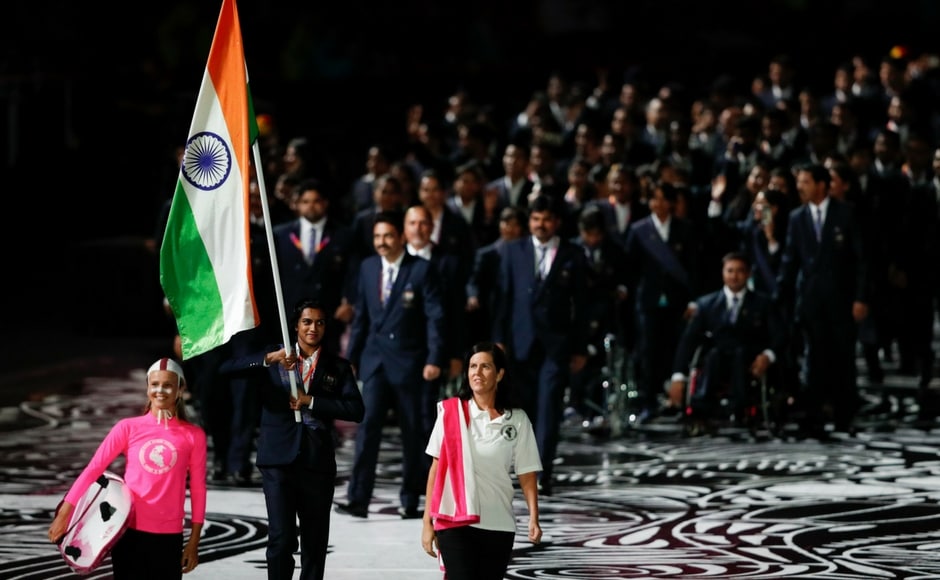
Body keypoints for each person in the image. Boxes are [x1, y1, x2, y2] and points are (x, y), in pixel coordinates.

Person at [218, 299, 365, 580]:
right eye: (307, 322)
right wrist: (268, 359)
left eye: (319, 322)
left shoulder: (337, 366)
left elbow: (356, 410)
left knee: (314, 543)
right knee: (281, 539)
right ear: (295, 325)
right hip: (278, 459)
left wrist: (312, 401)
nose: (313, 328)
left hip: (317, 462)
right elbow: (226, 370)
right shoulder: (275, 356)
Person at [48, 358, 207, 579]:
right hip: (128, 531)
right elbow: (94, 469)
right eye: (154, 384)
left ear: (180, 390)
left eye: (168, 385)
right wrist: (65, 513)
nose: (160, 390)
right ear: (147, 388)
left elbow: (198, 489)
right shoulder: (128, 428)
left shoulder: (193, 435)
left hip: (169, 535)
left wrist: (194, 542)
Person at [337, 209, 446, 519]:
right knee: (367, 428)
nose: (381, 242)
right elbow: (361, 319)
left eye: (387, 236)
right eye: (377, 237)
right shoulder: (368, 268)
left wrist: (434, 358)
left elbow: (435, 318)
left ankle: (411, 499)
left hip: (411, 365)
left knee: (413, 433)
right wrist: (351, 360)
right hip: (375, 363)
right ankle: (358, 497)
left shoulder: (422, 270)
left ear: (401, 237)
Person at [492, 193, 589, 495]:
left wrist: (580, 347)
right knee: (521, 412)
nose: (541, 224)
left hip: (556, 345)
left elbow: (582, 304)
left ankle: (539, 473)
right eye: (535, 219)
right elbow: (502, 298)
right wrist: (498, 341)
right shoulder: (512, 250)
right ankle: (519, 466)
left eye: (546, 219)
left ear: (557, 222)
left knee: (549, 409)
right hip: (519, 344)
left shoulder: (573, 254)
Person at [421, 342, 542, 580]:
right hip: (454, 522)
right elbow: (435, 471)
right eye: (473, 366)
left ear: (499, 374)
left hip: (499, 523)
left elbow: (527, 473)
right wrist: (427, 522)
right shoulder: (450, 414)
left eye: (485, 366)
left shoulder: (517, 420)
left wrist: (534, 518)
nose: (477, 373)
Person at [774, 163, 869, 437]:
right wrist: (780, 295)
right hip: (810, 302)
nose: (800, 187)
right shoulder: (796, 218)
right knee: (814, 360)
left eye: (805, 181)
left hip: (842, 300)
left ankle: (844, 415)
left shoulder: (847, 214)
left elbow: (862, 261)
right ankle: (813, 416)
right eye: (799, 181)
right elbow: (790, 262)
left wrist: (861, 298)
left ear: (821, 184)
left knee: (843, 359)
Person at [669, 252, 784, 432]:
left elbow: (779, 336)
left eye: (739, 271)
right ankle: (702, 409)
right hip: (717, 357)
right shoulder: (706, 304)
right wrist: (677, 376)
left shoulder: (764, 303)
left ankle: (741, 408)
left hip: (748, 358)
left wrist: (768, 356)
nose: (734, 276)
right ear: (723, 273)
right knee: (713, 356)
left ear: (748, 274)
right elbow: (688, 341)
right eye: (730, 271)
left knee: (740, 355)